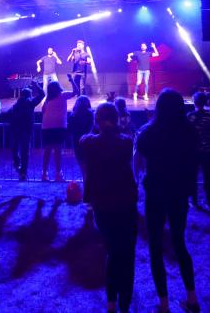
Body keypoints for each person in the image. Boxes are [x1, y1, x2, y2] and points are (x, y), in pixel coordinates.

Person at [135, 89, 200, 313]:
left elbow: (141, 156)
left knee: (155, 247)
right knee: (179, 242)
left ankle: (164, 304)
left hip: (156, 192)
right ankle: (192, 298)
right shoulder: (190, 132)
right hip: (179, 192)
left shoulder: (149, 133)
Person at [80, 103, 138, 313]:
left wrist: (97, 124)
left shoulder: (88, 143)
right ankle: (124, 305)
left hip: (102, 204)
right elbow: (120, 138)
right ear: (116, 119)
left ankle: (111, 304)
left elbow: (87, 138)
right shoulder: (126, 142)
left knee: (113, 252)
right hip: (125, 203)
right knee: (127, 255)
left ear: (97, 121)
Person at [9, 81, 44, 181]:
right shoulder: (30, 103)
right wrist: (36, 85)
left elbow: (7, 114)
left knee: (15, 149)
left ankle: (17, 164)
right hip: (26, 131)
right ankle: (23, 172)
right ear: (29, 95)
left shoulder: (16, 105)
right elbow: (42, 94)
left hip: (15, 130)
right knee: (24, 152)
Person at [41, 81, 75, 181]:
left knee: (47, 151)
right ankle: (58, 174)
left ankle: (44, 174)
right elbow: (75, 92)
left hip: (46, 127)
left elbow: (43, 111)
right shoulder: (63, 95)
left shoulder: (47, 99)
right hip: (59, 126)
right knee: (58, 151)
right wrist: (72, 81)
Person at [187, 92, 210, 207]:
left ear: (194, 102)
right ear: (205, 102)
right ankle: (209, 200)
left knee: (192, 176)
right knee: (208, 175)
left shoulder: (190, 116)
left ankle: (194, 201)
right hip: (207, 150)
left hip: (193, 151)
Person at [68, 95, 94, 172]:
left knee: (81, 162)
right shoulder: (90, 114)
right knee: (88, 162)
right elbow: (91, 126)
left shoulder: (73, 115)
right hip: (88, 139)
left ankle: (85, 177)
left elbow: (70, 128)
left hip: (76, 140)